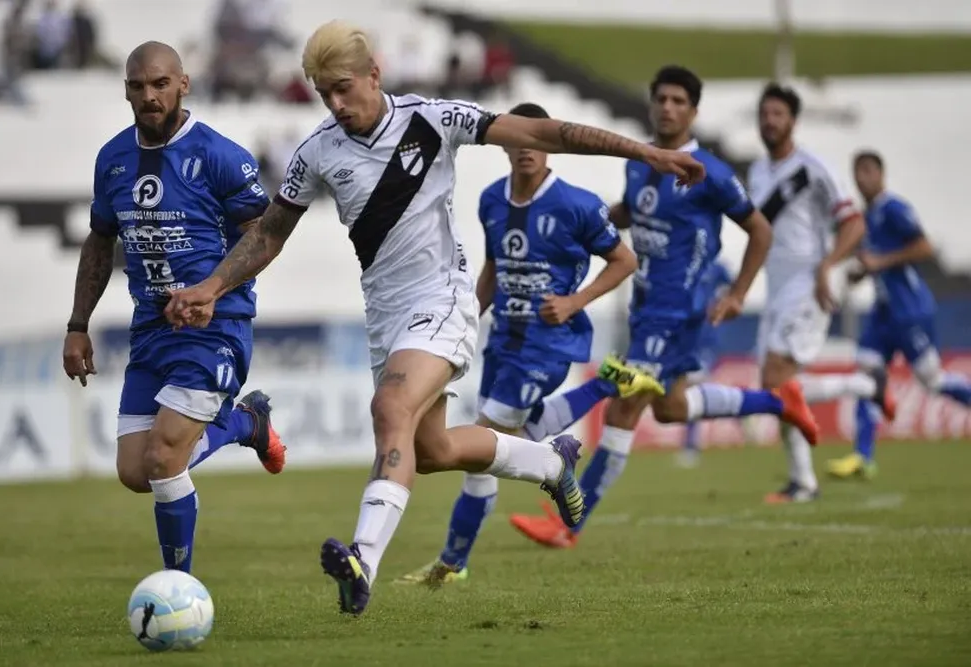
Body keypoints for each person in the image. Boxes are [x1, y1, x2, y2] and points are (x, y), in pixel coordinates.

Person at [162, 21, 705, 616]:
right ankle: (550, 460)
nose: (336, 104)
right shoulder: (316, 151)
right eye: (323, 94)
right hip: (386, 314)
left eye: (344, 88)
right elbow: (268, 232)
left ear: (375, 74)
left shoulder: (435, 119)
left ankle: (362, 561)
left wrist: (646, 150)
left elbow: (545, 130)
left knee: (390, 408)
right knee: (436, 448)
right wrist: (213, 285)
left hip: (443, 298)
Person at [509, 66, 819, 548]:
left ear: (694, 111)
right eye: (662, 99)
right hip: (647, 305)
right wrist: (585, 226)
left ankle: (569, 525)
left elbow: (760, 229)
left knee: (623, 408)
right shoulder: (638, 163)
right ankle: (779, 401)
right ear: (652, 105)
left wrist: (737, 292)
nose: (669, 108)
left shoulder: (711, 173)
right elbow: (633, 211)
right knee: (671, 408)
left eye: (679, 101)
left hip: (680, 309)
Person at [396, 102, 663, 587]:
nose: (525, 150)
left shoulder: (577, 204)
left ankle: (451, 565)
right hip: (504, 342)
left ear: (548, 146)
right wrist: (464, 321)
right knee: (497, 443)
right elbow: (494, 269)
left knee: (480, 441)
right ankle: (606, 384)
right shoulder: (492, 201)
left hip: (549, 343)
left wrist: (574, 302)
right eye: (516, 141)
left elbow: (624, 261)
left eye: (535, 142)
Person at [62, 41, 286, 575]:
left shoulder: (220, 156)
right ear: (126, 91)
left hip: (217, 328)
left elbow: (265, 236)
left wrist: (213, 290)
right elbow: (98, 241)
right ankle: (245, 424)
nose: (149, 95)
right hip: (151, 328)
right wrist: (77, 325)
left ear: (183, 84)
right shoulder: (112, 160)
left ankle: (176, 590)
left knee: (164, 459)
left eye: (160, 83)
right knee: (135, 470)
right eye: (138, 86)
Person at [748, 84, 894, 503]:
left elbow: (854, 224)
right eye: (764, 113)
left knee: (777, 382)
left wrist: (828, 266)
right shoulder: (758, 171)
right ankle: (803, 480)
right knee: (773, 390)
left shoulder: (812, 168)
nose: (769, 121)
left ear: (792, 120)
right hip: (775, 286)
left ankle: (865, 385)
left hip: (808, 283)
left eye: (777, 113)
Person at [827, 151, 971, 479]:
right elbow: (876, 260)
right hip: (883, 314)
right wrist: (862, 273)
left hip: (909, 310)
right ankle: (863, 457)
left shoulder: (893, 209)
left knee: (931, 380)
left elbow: (924, 247)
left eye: (867, 170)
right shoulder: (868, 217)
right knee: (866, 376)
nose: (861, 178)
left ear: (881, 174)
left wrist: (879, 263)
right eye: (857, 172)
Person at [676, 259, 733, 468]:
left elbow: (733, 288)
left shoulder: (716, 267)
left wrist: (720, 303)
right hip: (686, 339)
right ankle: (740, 411)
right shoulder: (683, 261)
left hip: (706, 340)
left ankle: (690, 446)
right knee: (695, 393)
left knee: (691, 392)